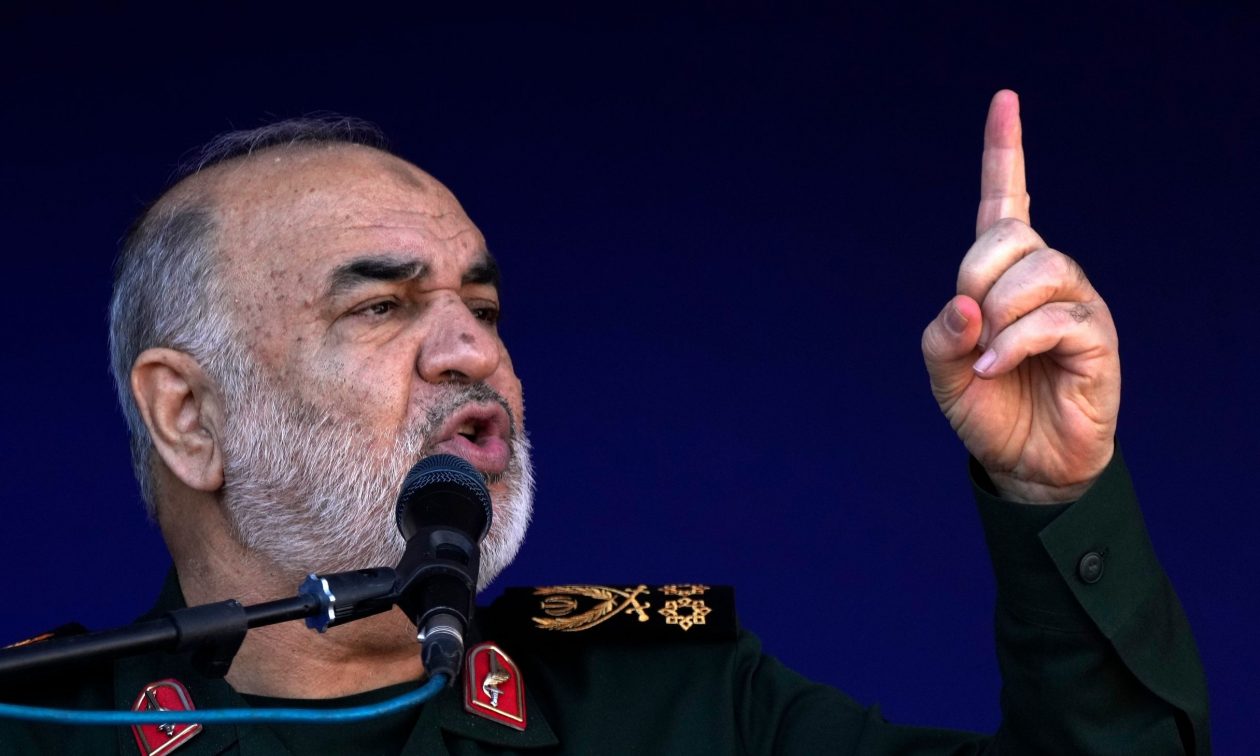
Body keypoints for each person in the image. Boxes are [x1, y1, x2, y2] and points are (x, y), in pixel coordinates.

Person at [0, 91, 1209, 754]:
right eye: (379, 306)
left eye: (482, 306)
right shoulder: (37, 726)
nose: (473, 350)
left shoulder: (681, 704)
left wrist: (1057, 495)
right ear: (188, 416)